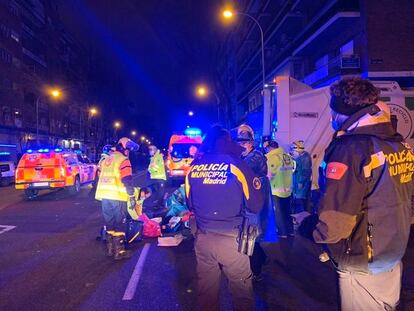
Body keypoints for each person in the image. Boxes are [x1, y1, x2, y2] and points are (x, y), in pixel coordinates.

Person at [298, 77, 414, 310]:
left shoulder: (351, 149)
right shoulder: (396, 145)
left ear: (343, 112)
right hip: (392, 249)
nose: (331, 117)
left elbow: (335, 223)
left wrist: (310, 228)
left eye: (333, 110)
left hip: (363, 256)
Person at [186, 125, 264, 311]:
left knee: (207, 290)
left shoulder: (194, 167)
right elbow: (255, 204)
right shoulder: (236, 165)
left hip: (203, 238)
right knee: (241, 291)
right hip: (233, 240)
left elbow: (190, 203)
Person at [236, 124, 271, 281]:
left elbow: (241, 174)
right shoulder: (247, 157)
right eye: (240, 142)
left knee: (251, 236)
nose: (241, 145)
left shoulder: (254, 158)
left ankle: (255, 271)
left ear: (251, 143)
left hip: (254, 204)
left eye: (244, 142)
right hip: (252, 202)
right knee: (251, 235)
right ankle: (261, 259)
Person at [95, 137, 139, 260]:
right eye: (128, 150)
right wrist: (131, 196)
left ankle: (110, 249)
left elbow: (100, 174)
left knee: (110, 223)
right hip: (117, 196)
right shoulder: (123, 160)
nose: (128, 152)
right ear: (125, 148)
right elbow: (127, 180)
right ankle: (119, 251)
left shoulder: (107, 159)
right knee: (120, 223)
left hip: (105, 196)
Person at [264, 140, 295, 238]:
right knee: (287, 211)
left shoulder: (272, 158)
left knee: (278, 212)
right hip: (287, 189)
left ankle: (282, 232)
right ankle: (290, 231)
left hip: (276, 190)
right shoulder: (287, 157)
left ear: (270, 148)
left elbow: (269, 175)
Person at [290, 140, 312, 213]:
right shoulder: (301, 157)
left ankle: (305, 215)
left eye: (294, 148)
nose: (293, 150)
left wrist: (301, 182)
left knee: (302, 200)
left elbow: (306, 172)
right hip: (297, 180)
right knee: (300, 198)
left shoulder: (305, 158)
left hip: (301, 182)